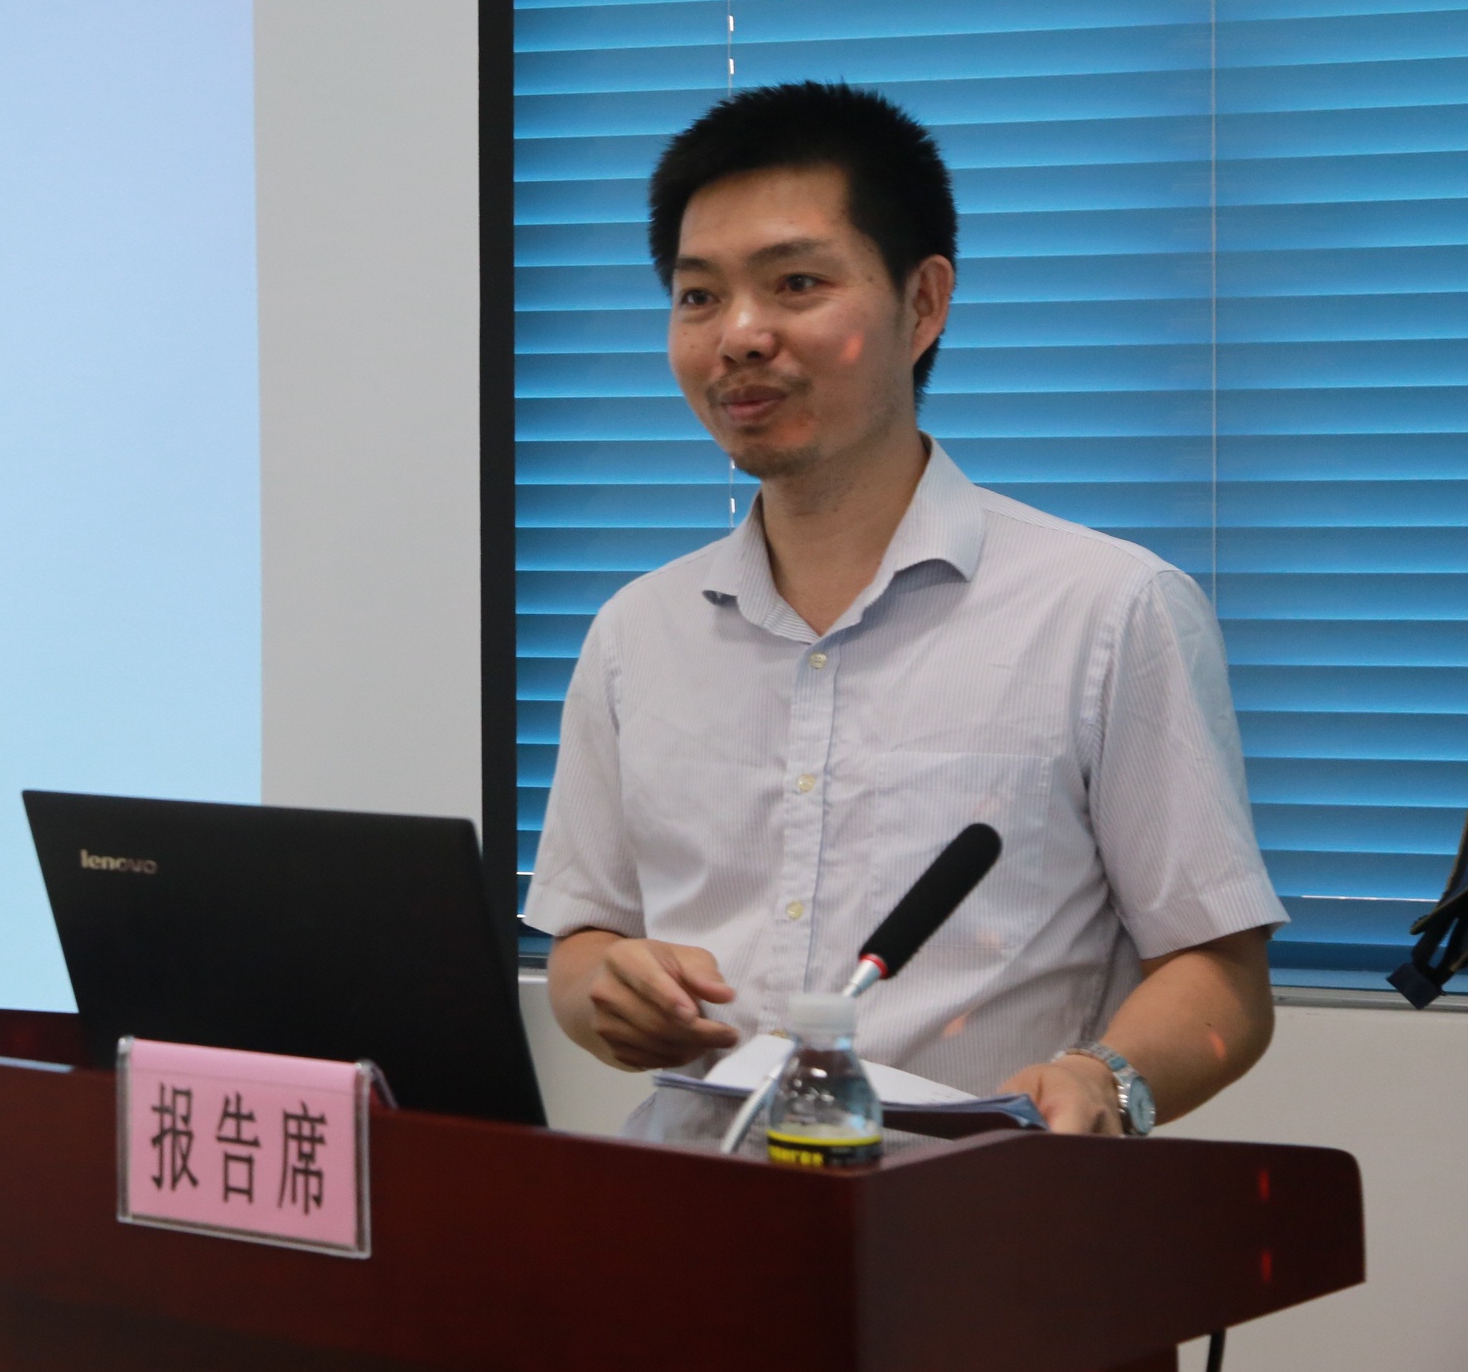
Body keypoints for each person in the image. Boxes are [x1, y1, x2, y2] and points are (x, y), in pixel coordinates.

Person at [525, 81, 1285, 1136]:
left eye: (795, 283)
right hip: (695, 1206)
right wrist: (605, 990)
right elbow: (582, 943)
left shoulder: (1108, 610)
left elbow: (1222, 976)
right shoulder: (637, 633)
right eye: (698, 297)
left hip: (977, 1209)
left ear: (922, 304)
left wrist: (1105, 1078)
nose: (739, 335)